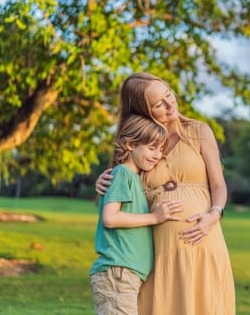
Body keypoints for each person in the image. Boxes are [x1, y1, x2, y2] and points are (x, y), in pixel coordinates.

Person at [95, 72, 235, 315]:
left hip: (203, 240)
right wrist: (104, 182)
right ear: (143, 110)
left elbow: (219, 186)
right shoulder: (139, 144)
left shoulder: (198, 131)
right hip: (159, 249)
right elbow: (118, 198)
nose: (170, 105)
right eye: (159, 104)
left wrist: (214, 214)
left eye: (169, 94)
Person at [90, 114, 183, 315]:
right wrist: (154, 217)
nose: (157, 155)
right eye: (151, 148)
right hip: (117, 272)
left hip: (126, 273)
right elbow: (110, 218)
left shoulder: (133, 177)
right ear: (130, 145)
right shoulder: (122, 173)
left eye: (160, 149)